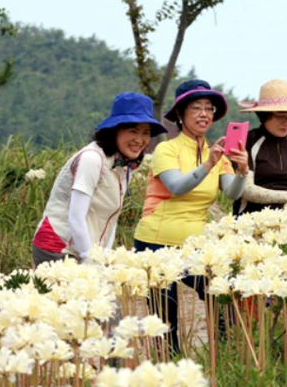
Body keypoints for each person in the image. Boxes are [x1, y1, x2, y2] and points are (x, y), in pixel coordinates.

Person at [133, 79, 249, 353]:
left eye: (209, 109)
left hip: (196, 246)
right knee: (165, 321)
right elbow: (176, 187)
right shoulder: (167, 149)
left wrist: (243, 171)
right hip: (156, 243)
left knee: (221, 298)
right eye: (196, 108)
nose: (204, 114)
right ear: (180, 114)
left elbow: (232, 192)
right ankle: (168, 366)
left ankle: (221, 359)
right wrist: (208, 164)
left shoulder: (218, 155)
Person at [32, 93, 167, 267]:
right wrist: (90, 259)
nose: (139, 140)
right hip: (58, 248)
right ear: (115, 129)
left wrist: (103, 258)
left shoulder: (124, 166)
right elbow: (76, 217)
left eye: (145, 133)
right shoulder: (92, 159)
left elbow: (112, 218)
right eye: (133, 131)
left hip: (85, 250)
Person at [233, 78, 287, 215]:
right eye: (281, 116)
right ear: (265, 115)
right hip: (252, 220)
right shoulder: (247, 142)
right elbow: (246, 190)